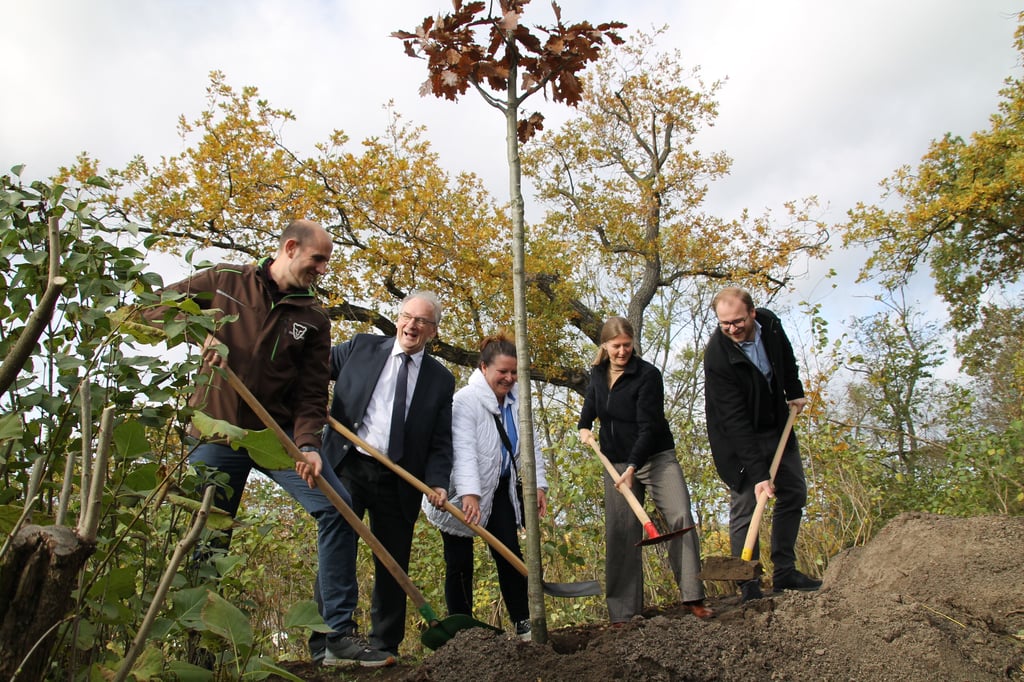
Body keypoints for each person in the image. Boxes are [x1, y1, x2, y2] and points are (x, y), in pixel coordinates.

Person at [148, 220, 395, 667]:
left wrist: (310, 446)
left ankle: (335, 638)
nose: (322, 270)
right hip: (215, 430)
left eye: (326, 262)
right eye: (317, 260)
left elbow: (310, 394)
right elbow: (149, 310)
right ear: (290, 248)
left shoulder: (314, 318)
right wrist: (193, 328)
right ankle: (197, 652)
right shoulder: (224, 282)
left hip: (275, 437)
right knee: (206, 536)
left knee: (337, 506)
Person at [317, 290, 454, 659]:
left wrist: (438, 481)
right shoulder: (360, 348)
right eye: (408, 316)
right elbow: (312, 368)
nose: (412, 325)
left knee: (394, 563)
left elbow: (441, 440)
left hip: (401, 479)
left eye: (422, 321)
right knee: (336, 550)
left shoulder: (441, 380)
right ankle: (326, 642)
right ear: (398, 319)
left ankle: (384, 646)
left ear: (433, 331)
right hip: (348, 466)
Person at [577, 316, 712, 623]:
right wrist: (584, 427)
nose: (622, 352)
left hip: (655, 457)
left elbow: (648, 427)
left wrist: (634, 466)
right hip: (616, 462)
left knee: (680, 515)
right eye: (616, 346)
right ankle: (624, 613)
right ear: (605, 346)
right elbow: (591, 405)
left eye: (627, 345)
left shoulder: (647, 375)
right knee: (621, 531)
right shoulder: (597, 373)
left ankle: (693, 596)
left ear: (633, 343)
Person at [423, 333, 548, 640]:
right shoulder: (465, 401)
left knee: (508, 553)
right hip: (457, 491)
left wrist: (540, 486)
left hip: (500, 488)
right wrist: (469, 494)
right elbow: (462, 450)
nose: (508, 378)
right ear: (483, 368)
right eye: (502, 372)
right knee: (459, 560)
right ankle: (463, 630)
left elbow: (532, 448)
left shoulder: (521, 400)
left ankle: (522, 622)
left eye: (513, 372)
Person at [703, 286, 820, 602]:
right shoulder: (717, 355)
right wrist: (758, 475)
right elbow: (735, 420)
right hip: (737, 439)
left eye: (738, 321)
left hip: (776, 424)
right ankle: (748, 584)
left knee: (793, 492)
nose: (732, 329)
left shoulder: (770, 324)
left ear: (753, 313)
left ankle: (785, 572)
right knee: (746, 506)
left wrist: (793, 390)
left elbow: (786, 358)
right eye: (724, 323)